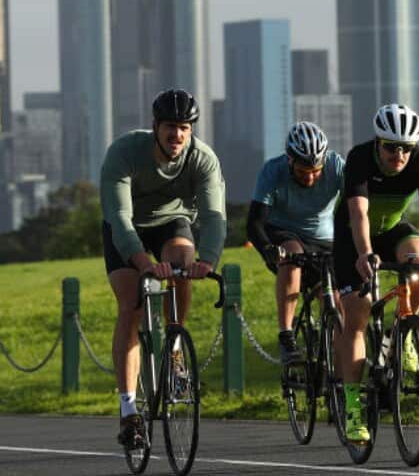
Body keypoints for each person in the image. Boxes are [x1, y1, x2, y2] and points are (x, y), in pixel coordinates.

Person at [332, 103, 419, 443]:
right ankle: (352, 406)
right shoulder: (360, 158)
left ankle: (403, 332)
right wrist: (365, 253)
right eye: (391, 147)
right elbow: (358, 212)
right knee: (358, 315)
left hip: (392, 229)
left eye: (406, 148)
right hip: (353, 235)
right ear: (378, 142)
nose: (399, 154)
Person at [100, 89, 226, 449]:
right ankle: (128, 412)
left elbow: (215, 217)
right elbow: (120, 219)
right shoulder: (124, 153)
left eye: (185, 128)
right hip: (126, 228)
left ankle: (174, 351)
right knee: (131, 306)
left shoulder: (203, 159)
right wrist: (144, 265)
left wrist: (208, 261)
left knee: (182, 265)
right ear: (155, 126)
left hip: (173, 222)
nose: (178, 135)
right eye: (171, 126)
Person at [246, 121, 345, 364]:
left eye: (315, 170)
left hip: (324, 240)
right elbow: (254, 223)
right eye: (303, 171)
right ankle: (286, 336)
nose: (310, 177)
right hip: (283, 233)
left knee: (335, 304)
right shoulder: (273, 171)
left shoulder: (336, 166)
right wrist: (268, 249)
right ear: (290, 160)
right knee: (292, 256)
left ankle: (339, 377)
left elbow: (357, 206)